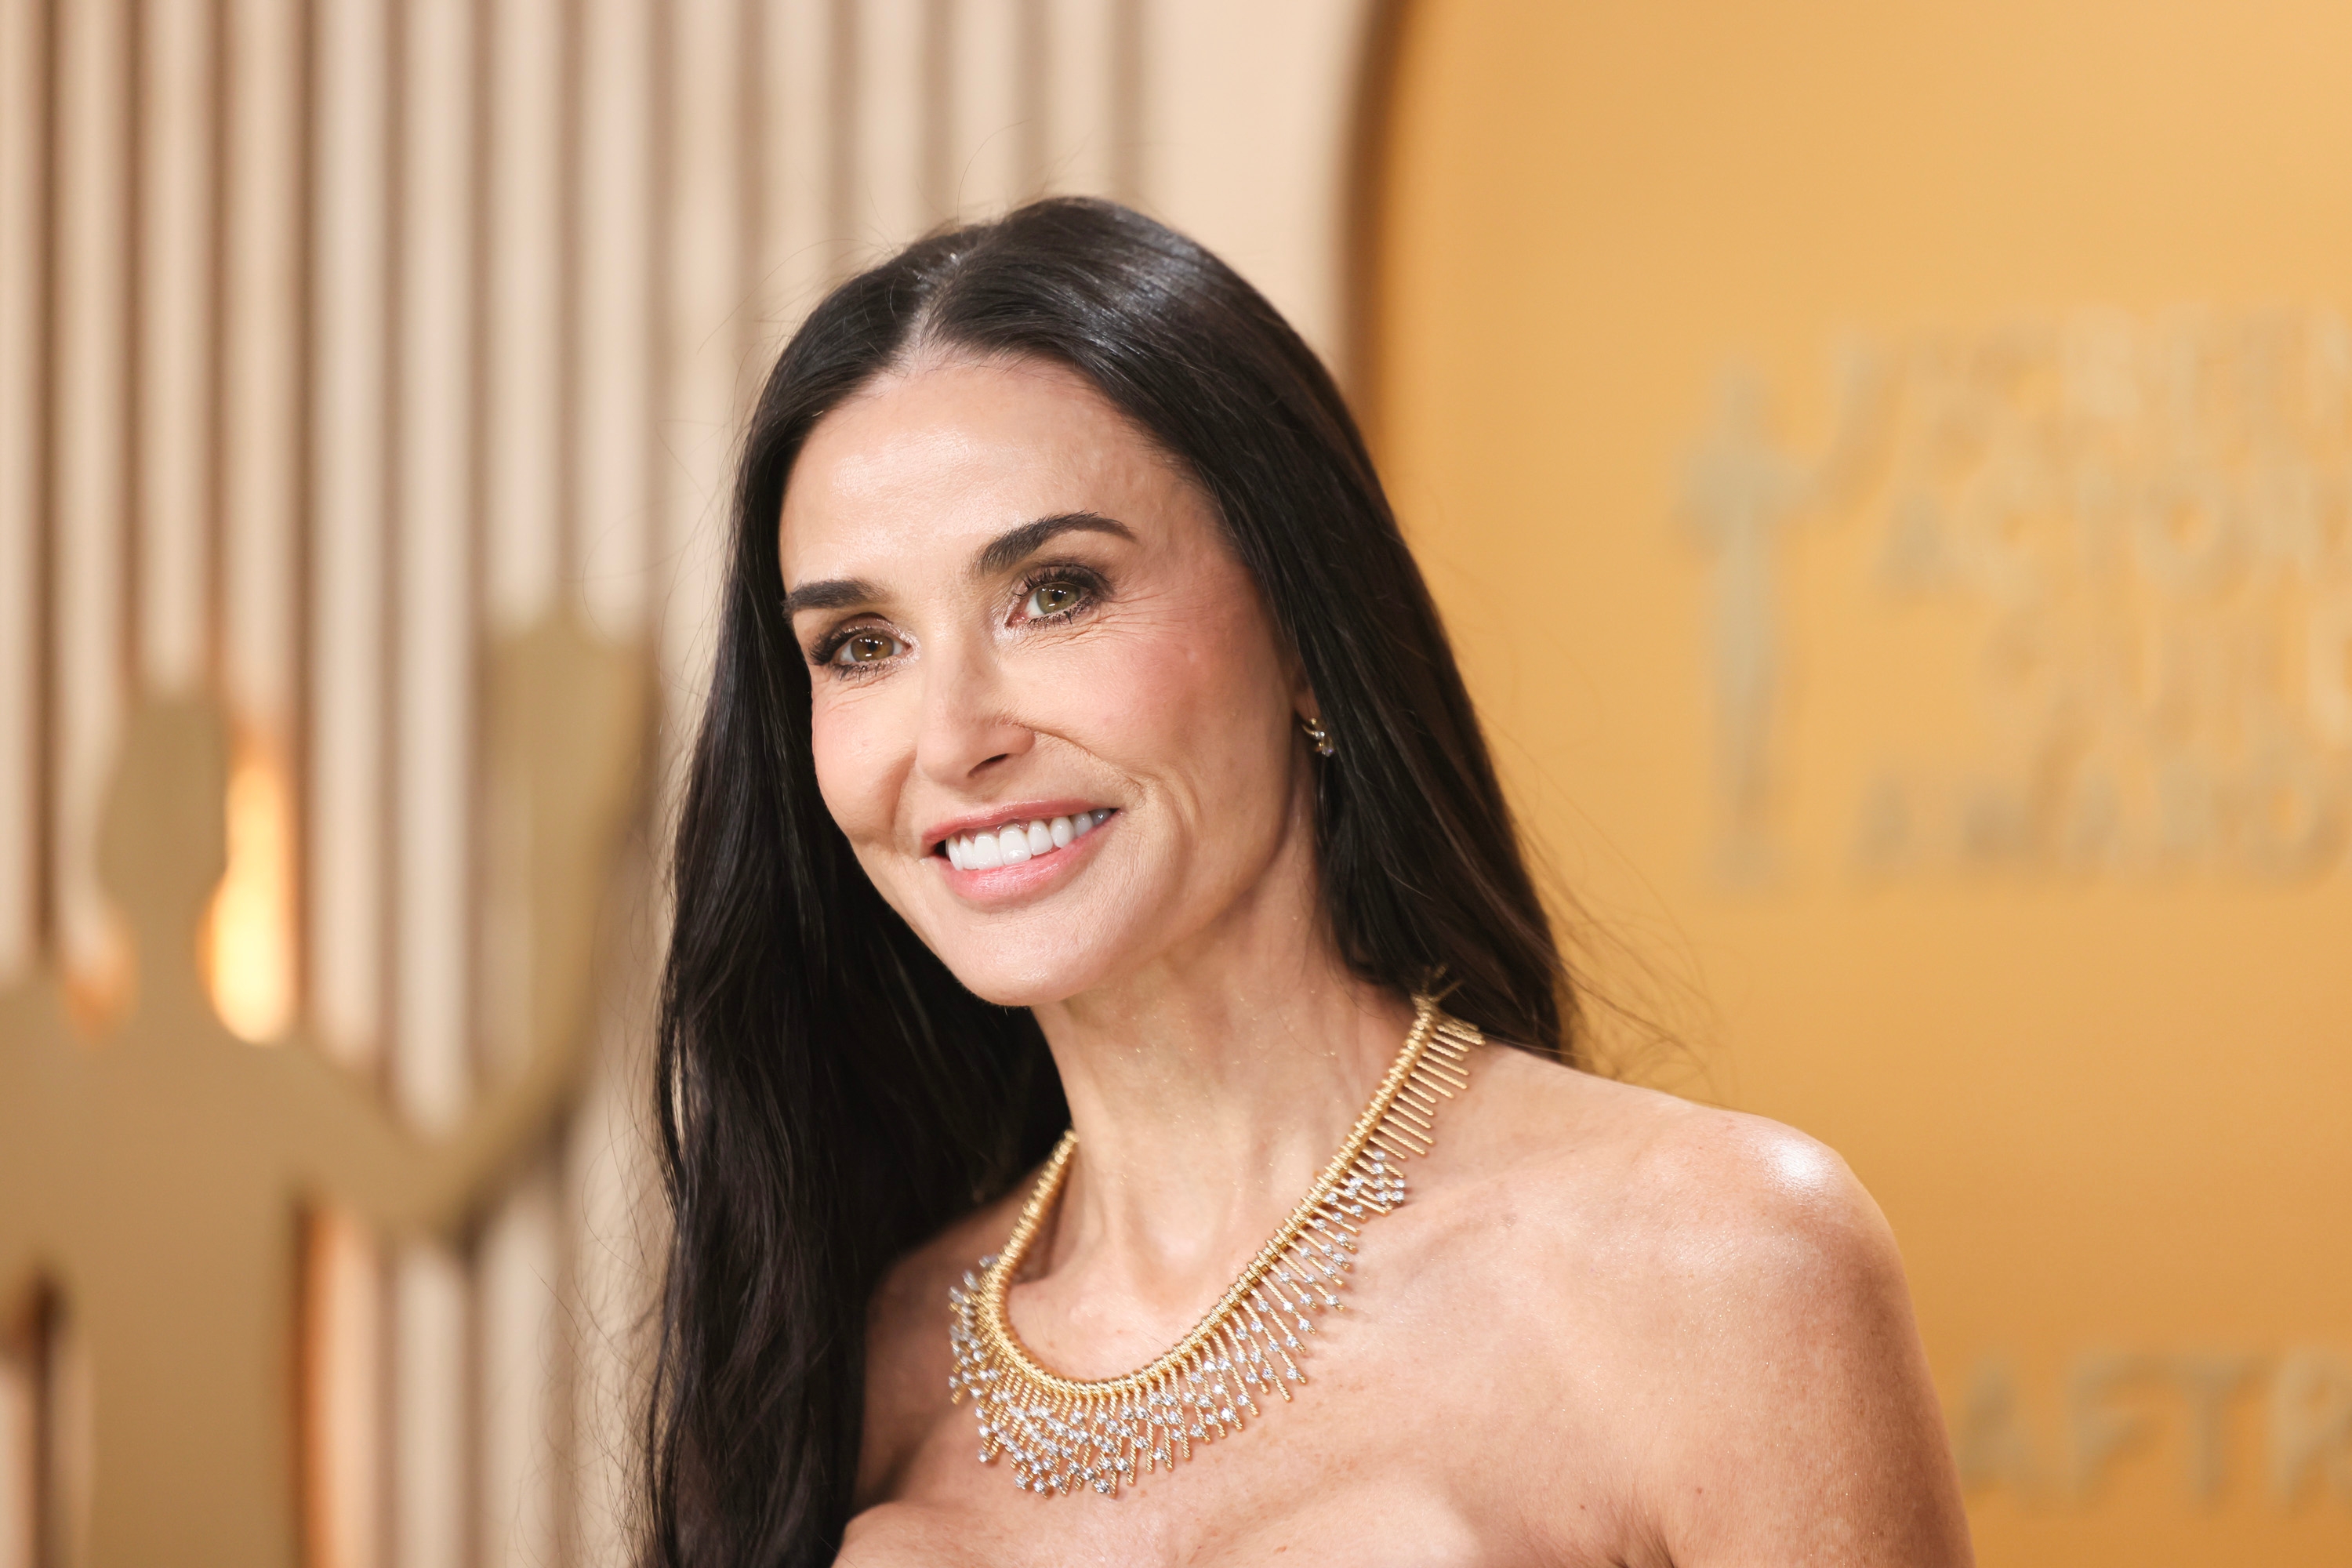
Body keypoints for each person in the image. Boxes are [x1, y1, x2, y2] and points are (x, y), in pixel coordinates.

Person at [645, 198, 1971, 1567]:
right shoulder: (851, 1361)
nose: (950, 740)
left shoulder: (1719, 1269)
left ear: (1304, 632)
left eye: (1057, 591)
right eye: (862, 645)